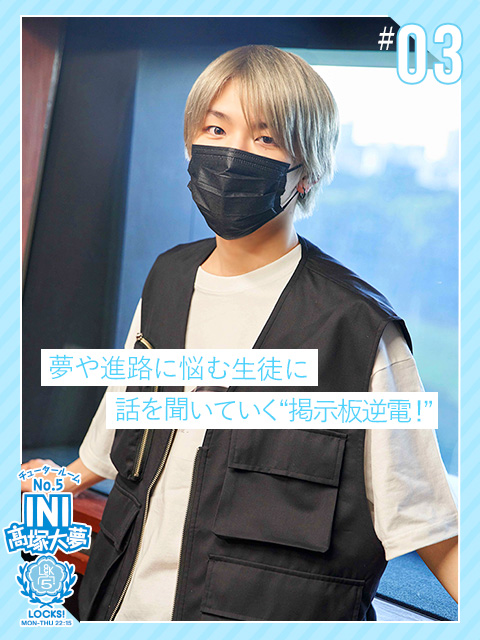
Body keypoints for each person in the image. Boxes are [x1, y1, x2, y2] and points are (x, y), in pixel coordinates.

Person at [22, 45, 458, 621]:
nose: (232, 155)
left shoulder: (358, 331)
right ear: (190, 145)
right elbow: (119, 428)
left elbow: (432, 528)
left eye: (265, 137)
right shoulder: (167, 278)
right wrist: (61, 481)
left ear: (307, 170)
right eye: (216, 129)